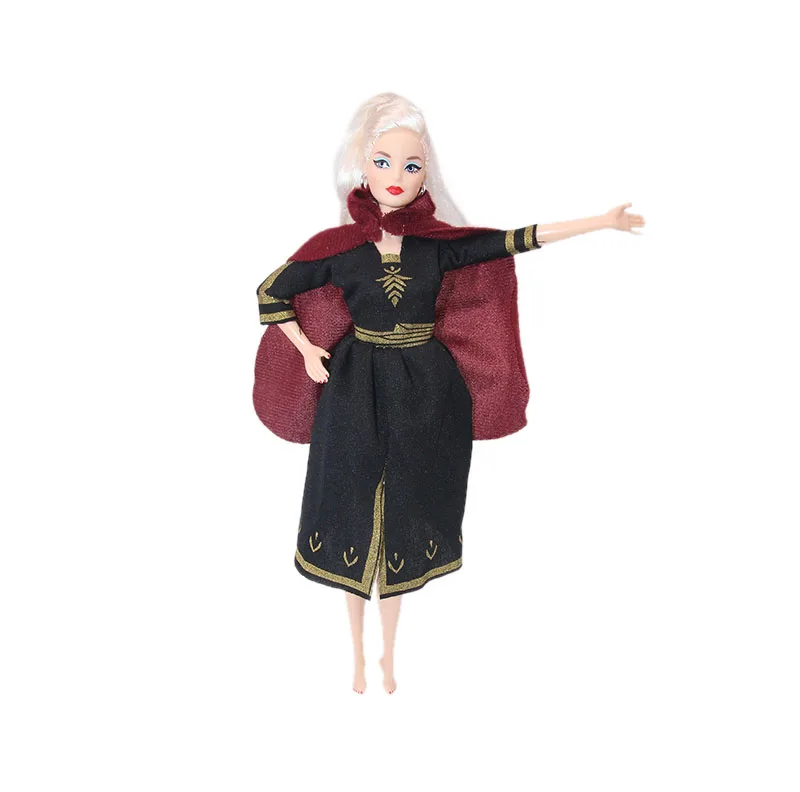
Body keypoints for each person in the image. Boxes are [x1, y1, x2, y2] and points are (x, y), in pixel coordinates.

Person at [254, 92, 645, 694]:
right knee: (346, 495)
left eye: (411, 165)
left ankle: (388, 656)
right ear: (363, 167)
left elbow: (513, 240)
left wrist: (601, 221)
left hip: (426, 387)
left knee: (410, 502)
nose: (396, 175)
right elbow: (272, 291)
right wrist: (306, 349)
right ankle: (356, 656)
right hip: (353, 384)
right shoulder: (338, 249)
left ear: (425, 175)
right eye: (383, 162)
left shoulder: (438, 248)